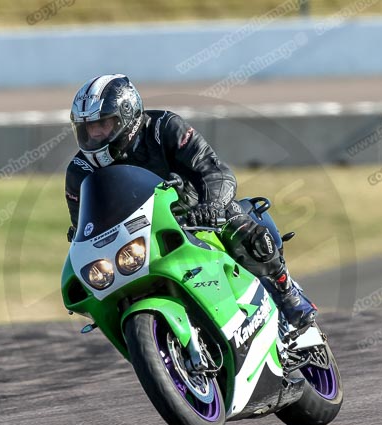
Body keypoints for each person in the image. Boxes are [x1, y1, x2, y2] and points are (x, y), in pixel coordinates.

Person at [64, 74, 317, 330]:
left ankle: (285, 291)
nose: (94, 134)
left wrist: (212, 205)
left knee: (238, 224)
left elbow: (214, 170)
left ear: (126, 116)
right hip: (140, 236)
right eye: (88, 128)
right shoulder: (79, 170)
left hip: (195, 212)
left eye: (103, 124)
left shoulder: (165, 128)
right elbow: (83, 226)